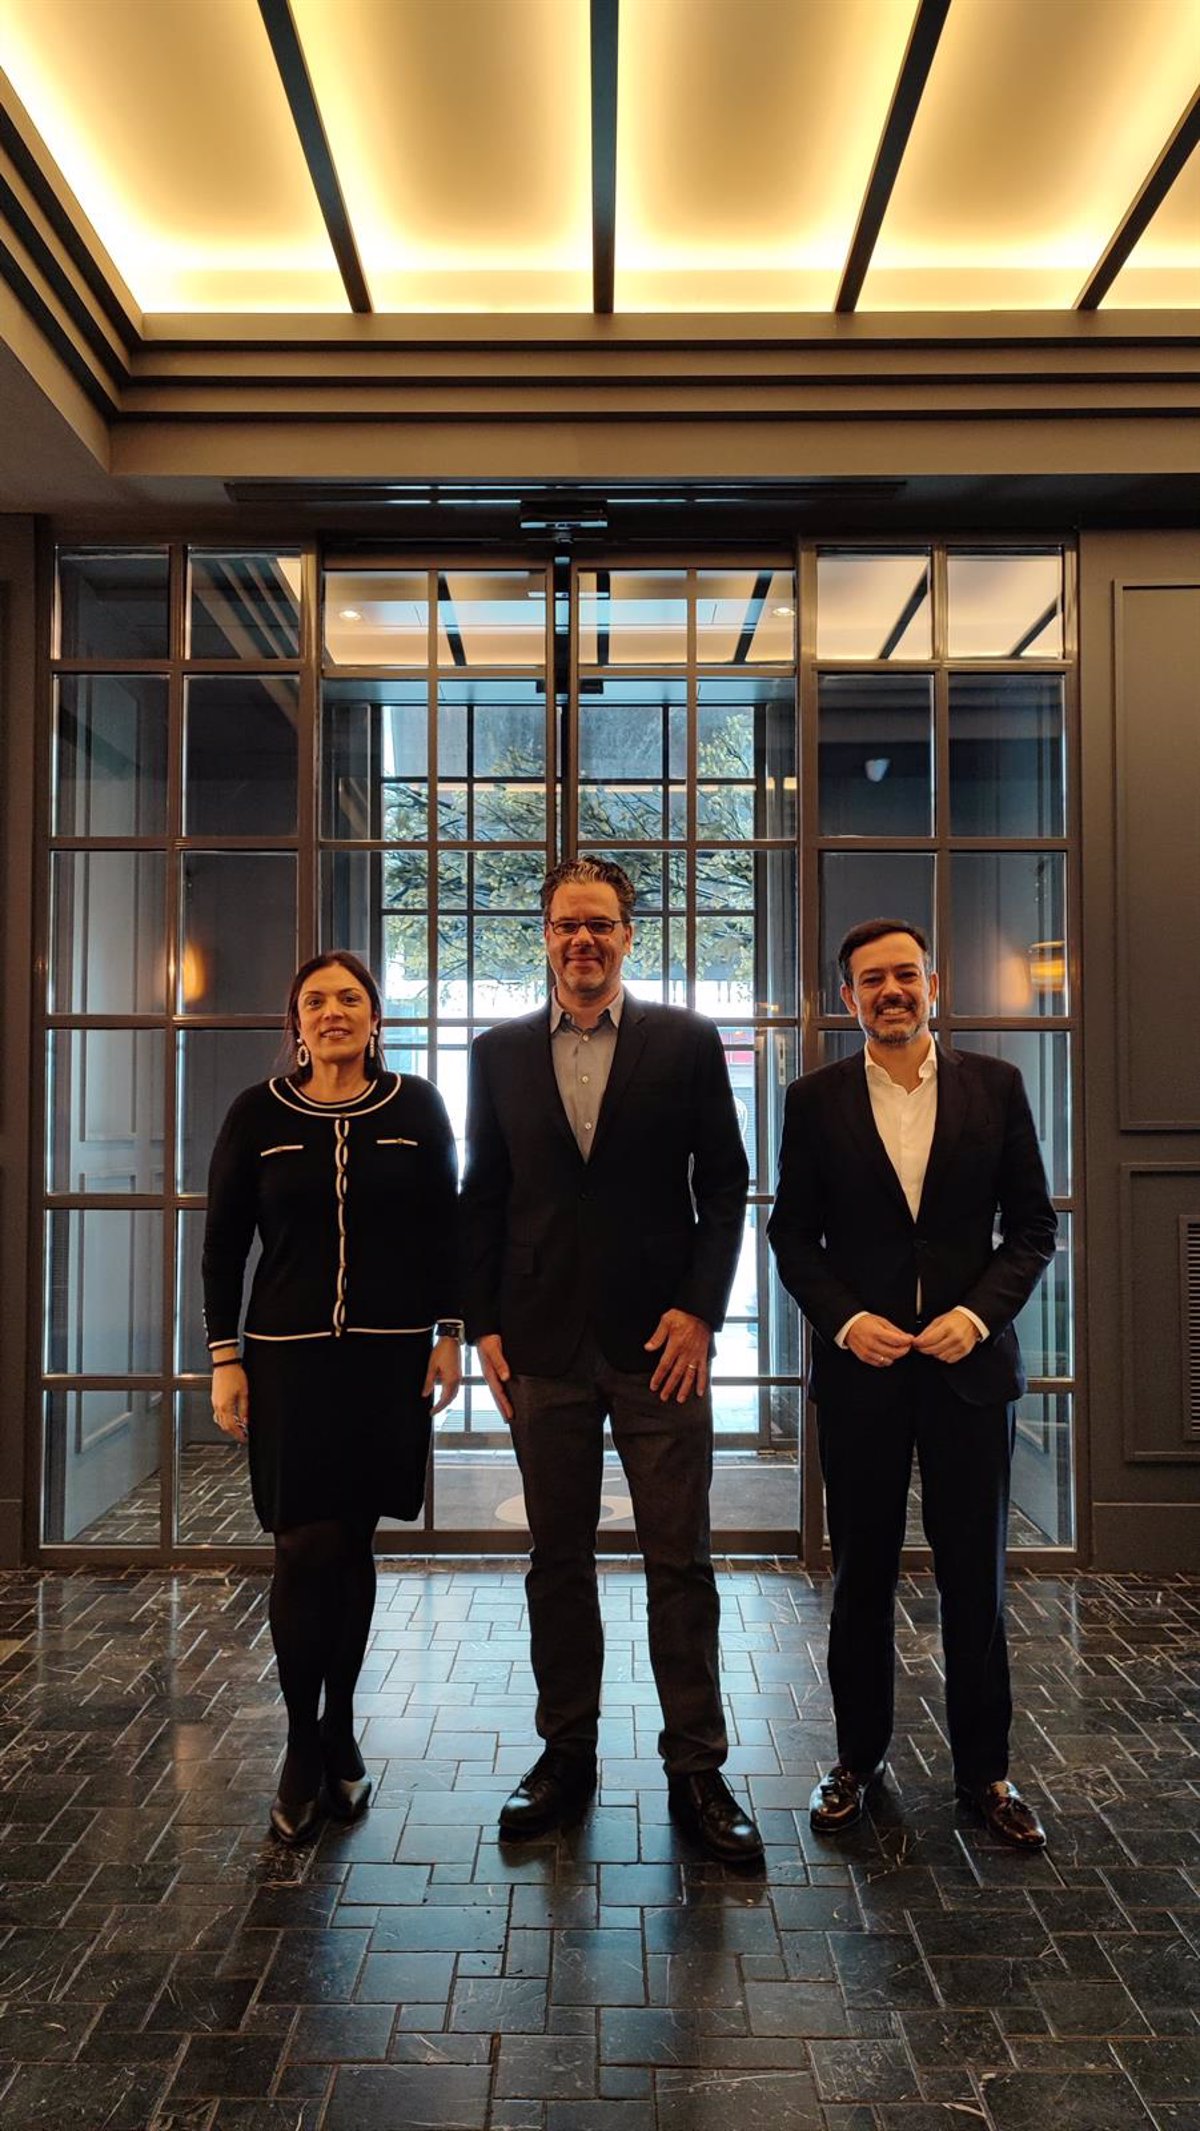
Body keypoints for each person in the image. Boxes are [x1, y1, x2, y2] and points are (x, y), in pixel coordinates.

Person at [461, 857, 762, 1863]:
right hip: (539, 1342)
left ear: (630, 933)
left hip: (659, 1345)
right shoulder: (497, 1052)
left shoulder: (685, 1040)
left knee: (680, 1559)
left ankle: (697, 1766)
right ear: (544, 935)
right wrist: (481, 1325)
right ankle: (566, 1754)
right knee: (557, 1559)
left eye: (600, 923)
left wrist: (702, 1310)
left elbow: (726, 1184)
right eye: (565, 924)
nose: (582, 939)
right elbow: (482, 1194)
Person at [768, 919, 1057, 1849]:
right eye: (870, 980)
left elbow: (1033, 1228)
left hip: (970, 1371)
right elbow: (790, 1235)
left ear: (934, 984)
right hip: (865, 1373)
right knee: (861, 1576)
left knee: (978, 1578)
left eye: (905, 974)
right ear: (846, 997)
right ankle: (856, 1761)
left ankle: (986, 1773)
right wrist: (847, 1321)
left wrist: (978, 1316)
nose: (890, 991)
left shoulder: (996, 1086)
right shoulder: (813, 1100)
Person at [203, 951, 462, 1844]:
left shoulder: (418, 1107)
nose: (332, 1011)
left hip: (389, 1360)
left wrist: (450, 1333)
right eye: (314, 1000)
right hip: (287, 1362)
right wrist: (224, 1357)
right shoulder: (257, 1113)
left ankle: (341, 1724)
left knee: (352, 1541)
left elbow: (446, 1226)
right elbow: (223, 1243)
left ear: (375, 1015)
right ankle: (299, 1744)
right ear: (297, 1021)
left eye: (349, 997)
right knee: (300, 1543)